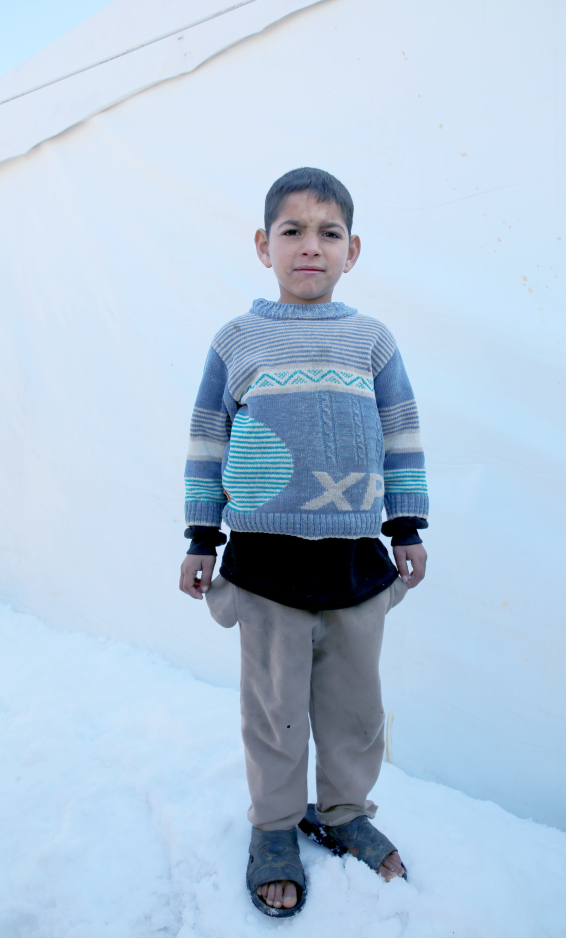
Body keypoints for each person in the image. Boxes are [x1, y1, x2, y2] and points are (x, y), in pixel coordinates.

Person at [179, 168, 428, 918]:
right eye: (292, 231)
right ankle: (276, 829)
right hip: (263, 568)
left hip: (355, 561)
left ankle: (345, 813)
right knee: (274, 710)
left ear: (353, 250)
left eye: (329, 233)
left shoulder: (372, 342)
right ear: (263, 246)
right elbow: (207, 441)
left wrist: (407, 525)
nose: (309, 246)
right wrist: (201, 536)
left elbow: (401, 437)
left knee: (356, 708)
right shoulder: (238, 341)